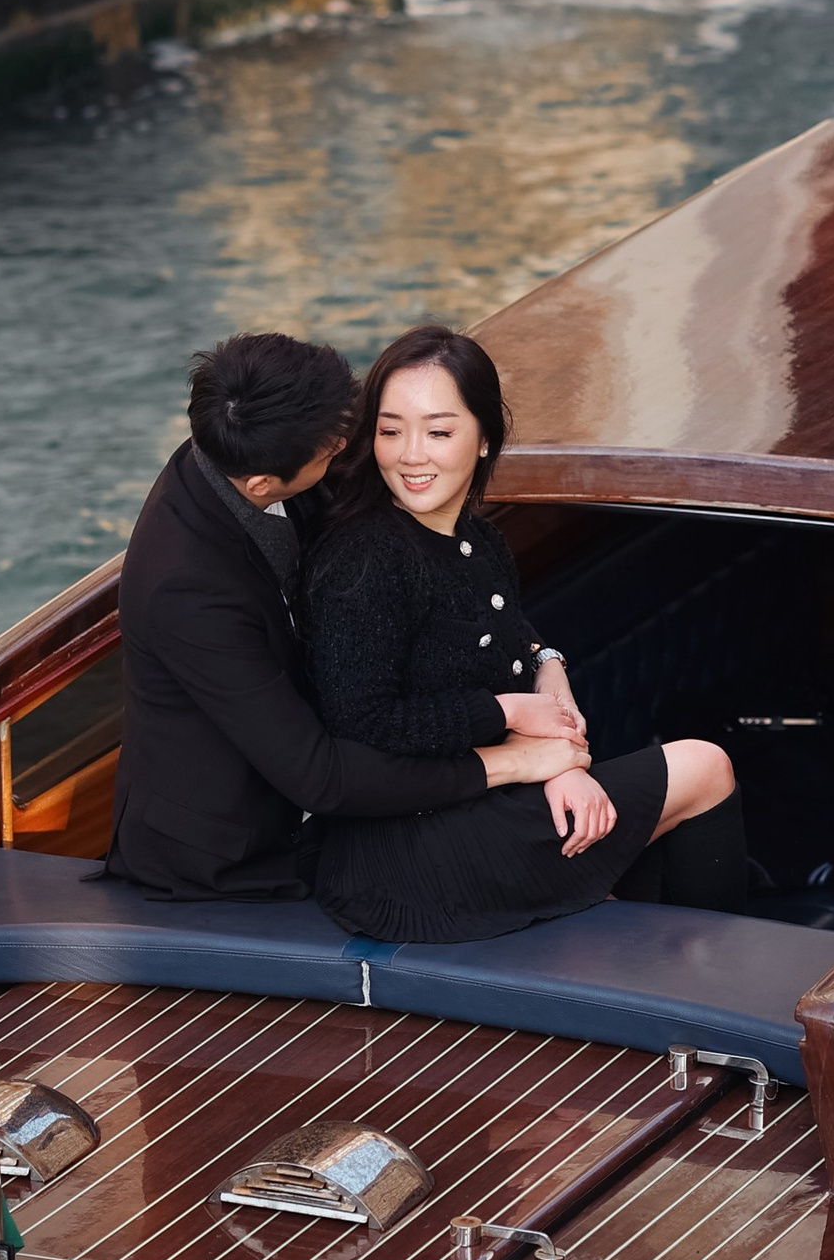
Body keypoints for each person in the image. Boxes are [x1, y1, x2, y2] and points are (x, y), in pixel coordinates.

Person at [301, 321, 746, 946]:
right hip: (404, 856)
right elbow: (361, 719)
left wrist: (549, 668)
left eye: (439, 431)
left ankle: (667, 954)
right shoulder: (366, 556)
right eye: (390, 430)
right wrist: (513, 716)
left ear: (484, 438)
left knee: (621, 810)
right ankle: (723, 978)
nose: (410, 454)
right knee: (706, 767)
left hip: (469, 811)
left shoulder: (478, 541)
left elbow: (504, 641)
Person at [107, 329, 585, 900]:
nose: (353, 447)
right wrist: (516, 758)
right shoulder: (185, 587)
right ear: (263, 482)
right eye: (335, 447)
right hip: (232, 855)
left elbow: (456, 582)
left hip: (355, 780)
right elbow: (320, 777)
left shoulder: (263, 439)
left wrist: (542, 658)